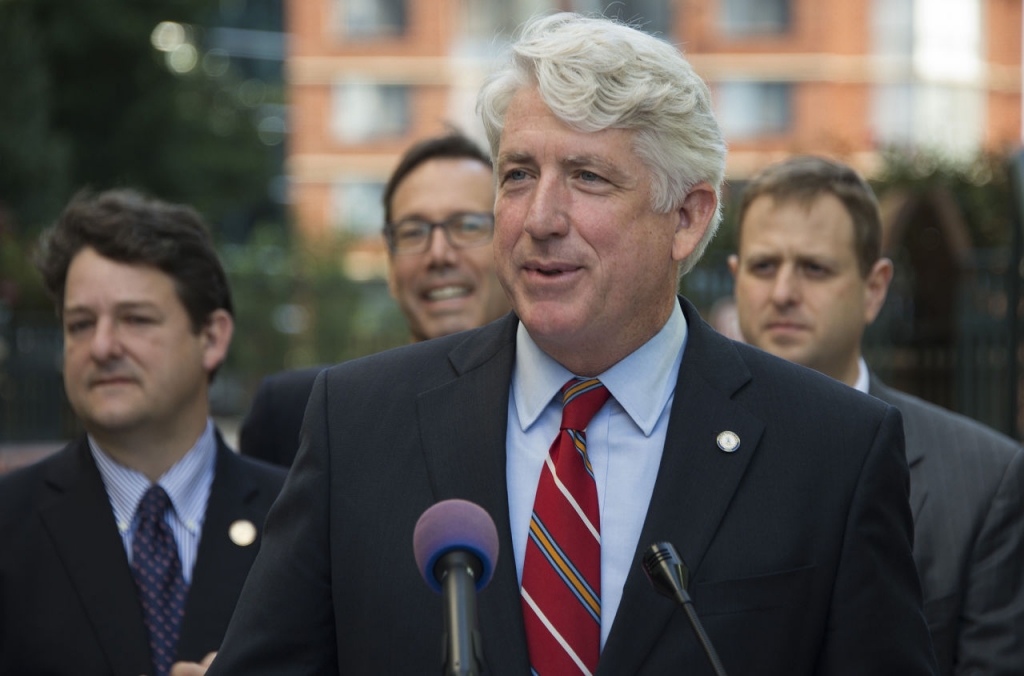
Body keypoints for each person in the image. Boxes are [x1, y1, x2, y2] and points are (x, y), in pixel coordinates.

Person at [203, 14, 937, 674]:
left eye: (587, 177)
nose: (540, 217)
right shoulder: (359, 422)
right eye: (519, 174)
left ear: (686, 217)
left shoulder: (831, 450)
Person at [729, 155, 1024, 675]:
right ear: (735, 276)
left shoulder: (986, 480)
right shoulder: (675, 441)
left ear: (875, 288)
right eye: (763, 266)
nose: (782, 293)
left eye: (815, 268)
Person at [0, 190, 287, 676]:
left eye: (135, 319)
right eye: (80, 324)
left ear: (212, 337)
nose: (103, 346)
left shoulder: (299, 521)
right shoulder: (8, 524)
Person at [237, 130, 510, 467]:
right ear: (390, 265)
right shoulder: (301, 416)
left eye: (468, 225)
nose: (439, 254)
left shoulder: (566, 418)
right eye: (413, 231)